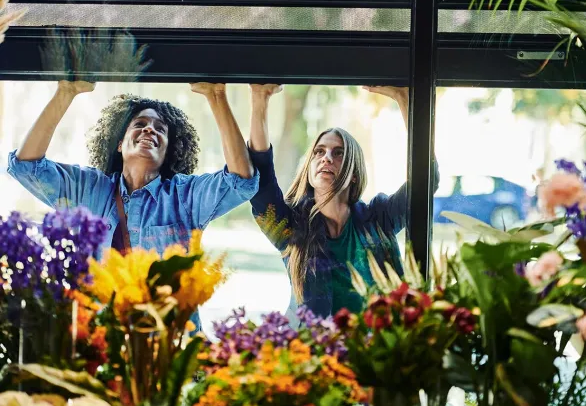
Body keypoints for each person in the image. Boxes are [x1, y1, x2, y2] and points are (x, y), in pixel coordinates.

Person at [7, 80, 259, 331]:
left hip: (169, 351)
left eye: (160, 129)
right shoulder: (89, 189)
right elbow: (26, 166)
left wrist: (217, 96)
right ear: (119, 144)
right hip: (101, 348)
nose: (150, 130)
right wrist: (66, 92)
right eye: (140, 124)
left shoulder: (185, 196)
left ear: (168, 150)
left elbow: (241, 181)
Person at [247, 84, 439, 325]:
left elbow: (427, 178)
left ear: (354, 173)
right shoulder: (292, 227)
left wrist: (405, 99)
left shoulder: (379, 218)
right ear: (309, 169)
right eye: (319, 151)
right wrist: (259, 100)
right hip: (315, 353)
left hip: (378, 350)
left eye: (338, 153)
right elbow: (260, 182)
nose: (327, 157)